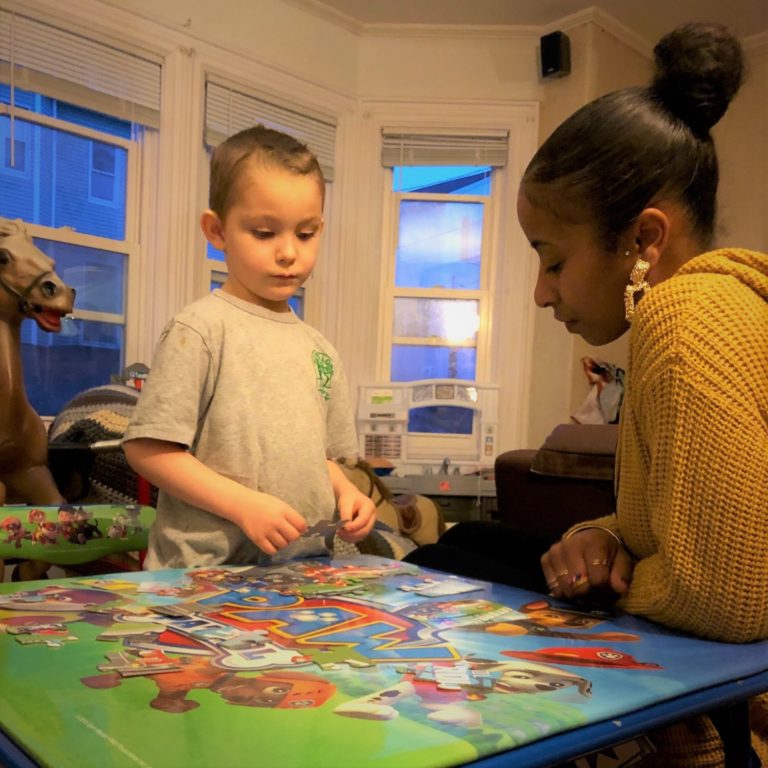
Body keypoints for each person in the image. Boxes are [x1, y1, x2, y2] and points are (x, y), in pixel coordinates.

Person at [405, 22, 768, 765]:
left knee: (448, 563)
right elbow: (679, 516)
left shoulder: (686, 318)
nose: (542, 293)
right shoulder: (723, 309)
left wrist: (610, 583)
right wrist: (598, 536)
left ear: (643, 241)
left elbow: (728, 595)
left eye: (553, 260)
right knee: (470, 542)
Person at [123, 125, 375, 570]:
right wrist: (245, 505)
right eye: (263, 232)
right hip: (202, 581)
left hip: (299, 575)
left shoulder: (320, 350)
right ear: (216, 230)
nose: (287, 253)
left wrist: (348, 493)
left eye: (305, 233)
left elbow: (315, 460)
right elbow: (148, 449)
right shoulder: (199, 330)